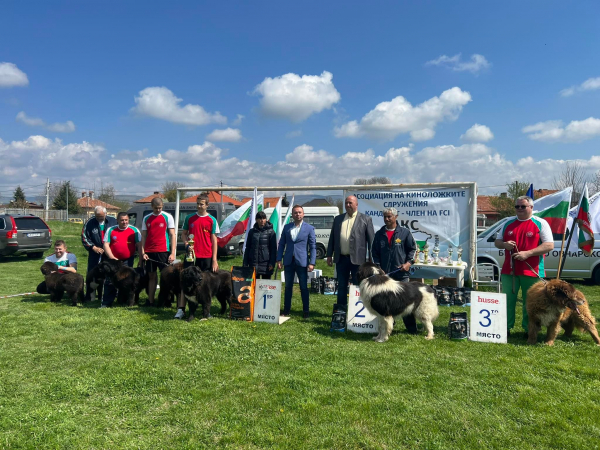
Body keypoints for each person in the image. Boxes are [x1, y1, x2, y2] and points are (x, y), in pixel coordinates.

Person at [494, 195, 553, 337]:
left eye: (523, 206)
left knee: (531, 303)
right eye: (517, 206)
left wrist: (528, 253)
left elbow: (549, 245)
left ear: (531, 208)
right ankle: (506, 328)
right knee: (507, 301)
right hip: (510, 270)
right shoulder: (508, 223)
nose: (519, 209)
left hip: (532, 270)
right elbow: (497, 241)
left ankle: (529, 330)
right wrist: (504, 245)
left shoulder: (540, 223)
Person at [372, 207, 418, 334]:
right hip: (385, 276)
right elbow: (374, 253)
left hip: (401, 274)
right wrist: (378, 267)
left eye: (389, 216)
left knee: (405, 301)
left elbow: (413, 250)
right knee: (386, 302)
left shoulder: (405, 233)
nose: (386, 219)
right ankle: (388, 328)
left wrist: (408, 263)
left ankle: (412, 329)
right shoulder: (379, 234)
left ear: (396, 217)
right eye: (385, 217)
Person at [174, 194, 220, 319]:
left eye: (202, 204)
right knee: (185, 282)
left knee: (206, 283)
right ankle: (181, 309)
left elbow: (214, 240)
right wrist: (186, 243)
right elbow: (183, 234)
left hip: (206, 255)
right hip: (191, 256)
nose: (199, 206)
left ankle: (206, 310)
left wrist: (214, 260)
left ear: (207, 205)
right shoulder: (189, 218)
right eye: (198, 203)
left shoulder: (212, 220)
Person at [326, 195, 374, 308]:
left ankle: (356, 310)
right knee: (342, 286)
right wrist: (329, 255)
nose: (348, 205)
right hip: (341, 259)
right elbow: (332, 238)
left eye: (350, 203)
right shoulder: (338, 219)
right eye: (346, 203)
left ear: (356, 205)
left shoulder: (366, 219)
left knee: (358, 286)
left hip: (358, 260)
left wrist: (372, 259)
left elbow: (372, 241)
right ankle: (341, 311)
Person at [276, 205, 316, 319]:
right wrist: (279, 259)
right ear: (292, 215)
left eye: (299, 212)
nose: (297, 214)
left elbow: (313, 247)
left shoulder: (309, 228)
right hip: (288, 261)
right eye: (295, 213)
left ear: (303, 214)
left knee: (303, 287)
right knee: (288, 286)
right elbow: (282, 244)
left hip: (302, 262)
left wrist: (312, 262)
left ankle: (306, 311)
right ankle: (286, 309)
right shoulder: (287, 227)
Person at [101, 212, 142, 307]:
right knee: (110, 281)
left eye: (126, 220)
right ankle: (106, 303)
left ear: (128, 220)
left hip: (128, 260)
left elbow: (139, 245)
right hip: (113, 261)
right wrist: (112, 258)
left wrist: (140, 259)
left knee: (126, 282)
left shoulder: (134, 230)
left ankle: (124, 301)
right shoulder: (111, 230)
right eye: (122, 220)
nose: (124, 222)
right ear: (117, 220)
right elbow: (106, 244)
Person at [140, 197, 176, 306]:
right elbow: (144, 236)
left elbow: (172, 235)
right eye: (156, 208)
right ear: (152, 207)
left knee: (166, 276)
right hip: (150, 252)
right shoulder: (146, 218)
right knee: (151, 276)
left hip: (163, 251)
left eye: (160, 208)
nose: (158, 210)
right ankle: (150, 300)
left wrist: (173, 252)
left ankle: (166, 300)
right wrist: (143, 252)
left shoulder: (168, 217)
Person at [81, 205, 117, 275]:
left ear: (106, 214)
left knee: (110, 271)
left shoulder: (113, 221)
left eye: (101, 217)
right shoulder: (90, 222)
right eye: (97, 217)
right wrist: (93, 247)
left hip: (110, 251)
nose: (99, 218)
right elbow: (84, 237)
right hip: (95, 252)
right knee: (93, 272)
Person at [243, 211, 277, 279]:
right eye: (260, 218)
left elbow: (273, 249)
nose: (262, 220)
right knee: (254, 286)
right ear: (256, 220)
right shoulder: (251, 232)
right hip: (253, 263)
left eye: (264, 218)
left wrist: (272, 263)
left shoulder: (271, 232)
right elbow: (248, 248)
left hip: (266, 264)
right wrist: (245, 263)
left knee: (265, 287)